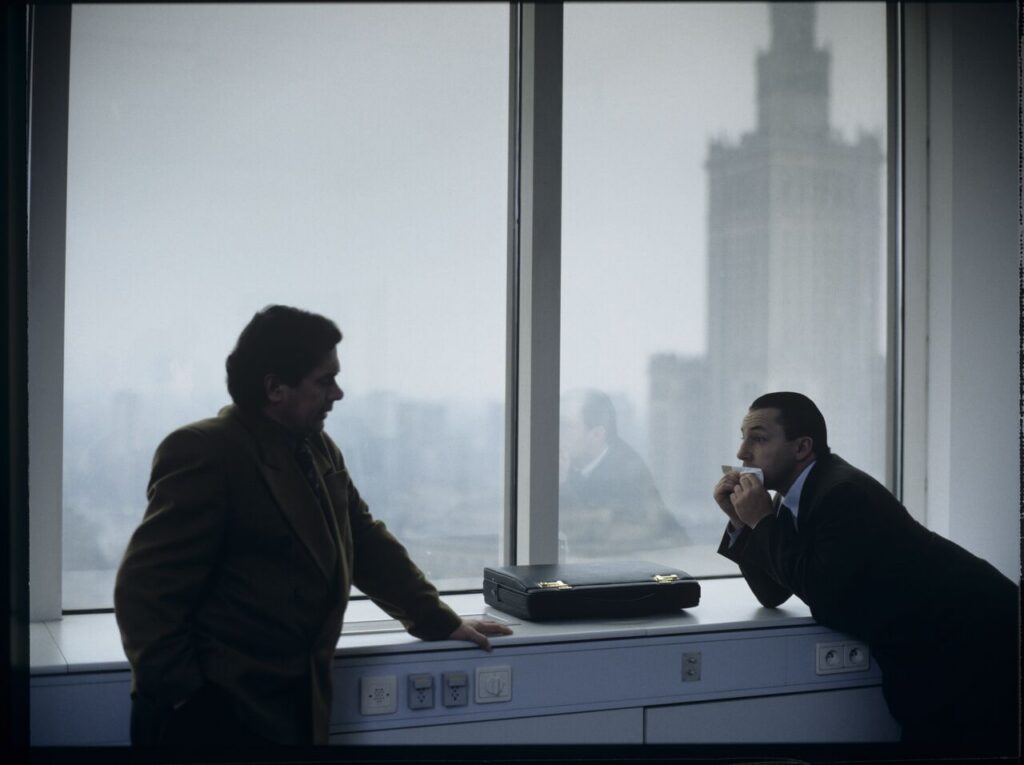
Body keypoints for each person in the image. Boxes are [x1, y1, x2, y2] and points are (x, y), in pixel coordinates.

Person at [114, 305, 512, 747]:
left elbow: (364, 540)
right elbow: (144, 592)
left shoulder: (317, 447)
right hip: (215, 718)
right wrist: (187, 698)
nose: (337, 393)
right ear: (274, 388)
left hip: (289, 709)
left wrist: (438, 619)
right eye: (325, 381)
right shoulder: (205, 451)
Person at [714, 391, 1019, 753]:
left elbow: (822, 593)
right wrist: (742, 521)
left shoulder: (842, 493)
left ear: (802, 448)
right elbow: (774, 592)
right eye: (743, 436)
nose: (742, 453)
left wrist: (761, 521)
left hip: (977, 643)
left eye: (758, 438)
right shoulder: (793, 495)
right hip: (936, 651)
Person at [559, 389, 689, 557]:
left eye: (566, 426)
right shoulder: (573, 463)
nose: (556, 433)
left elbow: (591, 538)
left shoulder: (627, 474)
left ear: (597, 435)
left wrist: (562, 486)